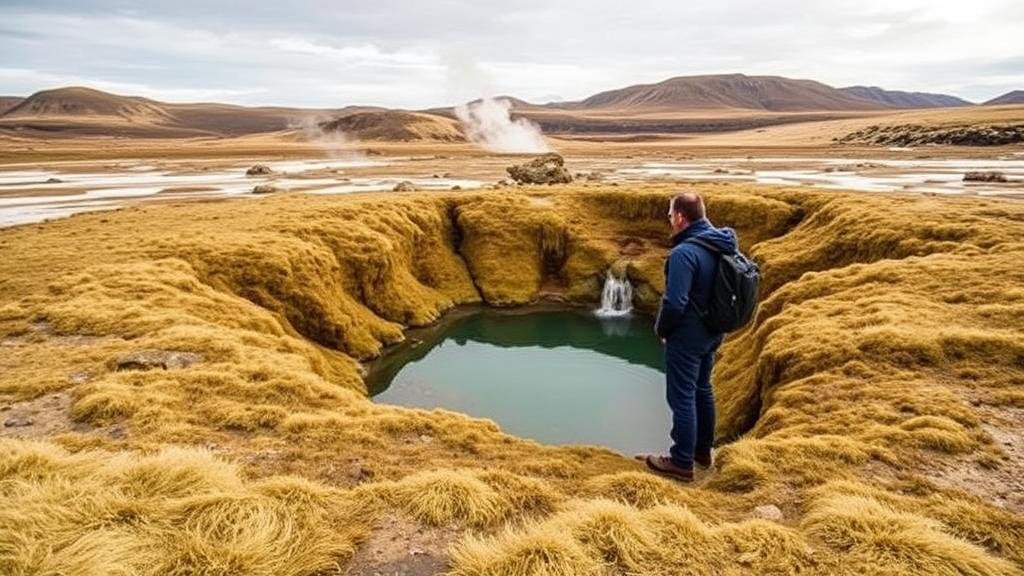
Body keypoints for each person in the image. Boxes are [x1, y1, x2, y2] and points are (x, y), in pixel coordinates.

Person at [645, 192, 738, 482]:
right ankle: (702, 452)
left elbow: (675, 302)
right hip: (713, 331)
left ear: (681, 217)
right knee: (702, 389)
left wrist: (663, 330)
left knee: (682, 396)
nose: (669, 220)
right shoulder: (719, 244)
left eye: (671, 215)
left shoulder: (685, 253)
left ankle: (681, 461)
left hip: (688, 336)